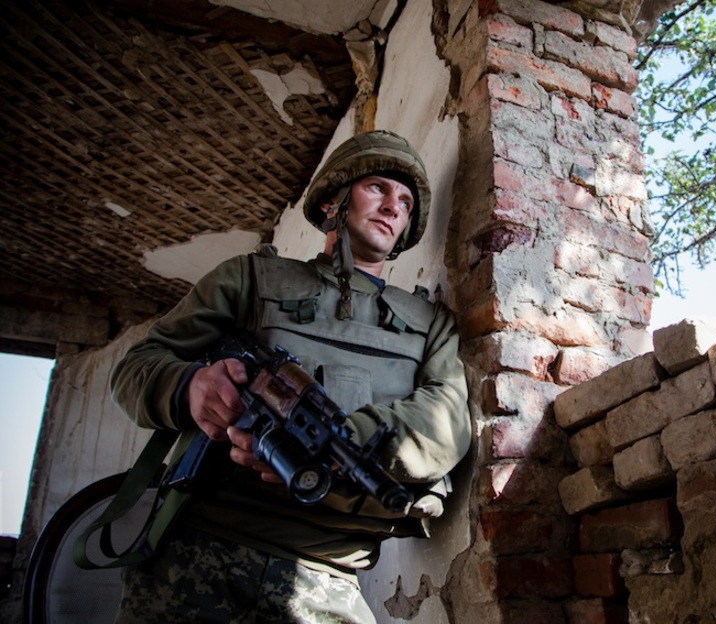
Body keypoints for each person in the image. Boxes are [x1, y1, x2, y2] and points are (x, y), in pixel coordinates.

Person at [109, 130, 472, 623]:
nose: (393, 206)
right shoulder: (250, 279)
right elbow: (138, 366)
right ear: (332, 200)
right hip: (196, 552)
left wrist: (341, 445)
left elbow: (446, 422)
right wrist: (189, 388)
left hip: (330, 575)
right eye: (378, 189)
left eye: (406, 202)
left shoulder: (430, 324)